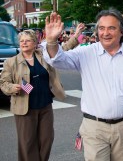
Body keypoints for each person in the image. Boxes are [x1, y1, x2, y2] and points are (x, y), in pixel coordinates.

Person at [43, 11, 123, 161]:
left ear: (121, 32)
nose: (105, 33)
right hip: (94, 127)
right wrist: (52, 41)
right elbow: (58, 60)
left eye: (111, 28)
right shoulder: (85, 53)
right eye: (101, 28)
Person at [0, 26, 82, 161]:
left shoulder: (43, 55)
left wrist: (76, 36)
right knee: (27, 143)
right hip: (25, 108)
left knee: (47, 139)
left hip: (45, 106)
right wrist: (12, 87)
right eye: (22, 41)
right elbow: (3, 83)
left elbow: (63, 49)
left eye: (28, 40)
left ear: (35, 43)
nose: (24, 43)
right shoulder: (12, 62)